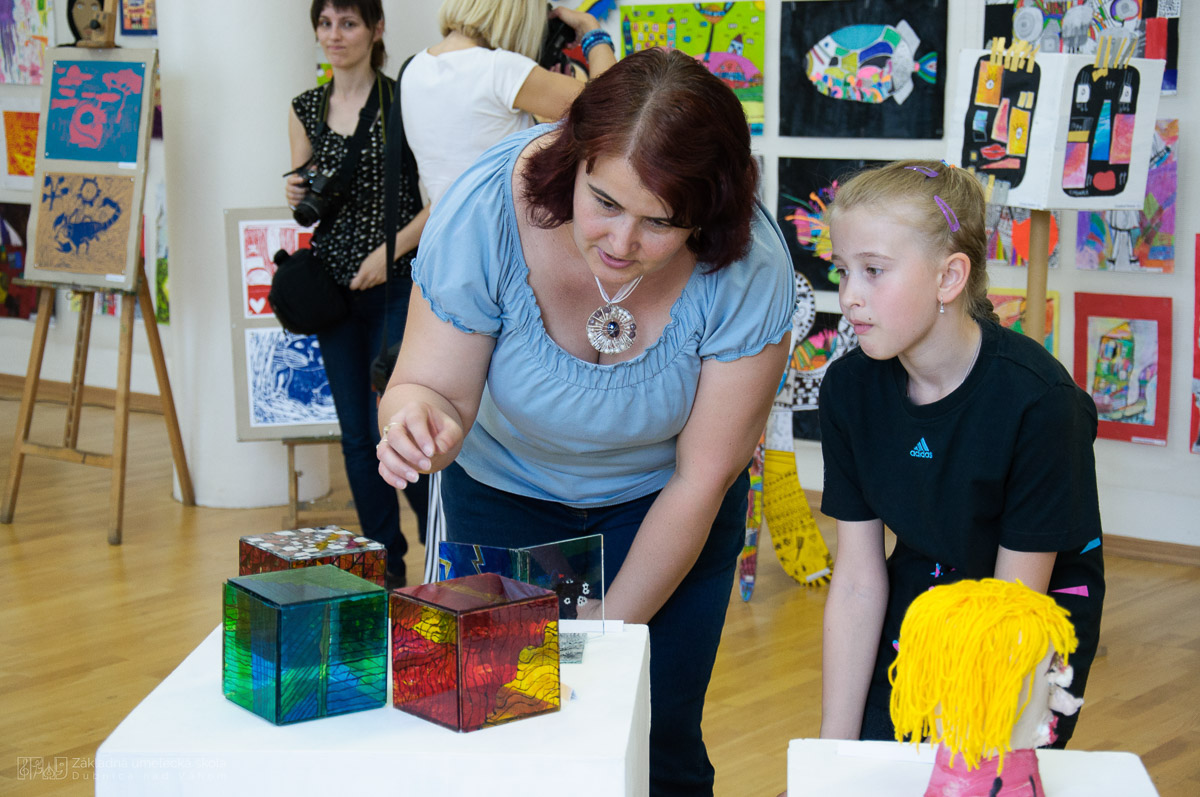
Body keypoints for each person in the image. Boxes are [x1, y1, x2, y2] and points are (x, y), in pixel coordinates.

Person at [377, 49, 793, 795]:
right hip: (503, 495)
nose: (621, 242)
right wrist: (418, 421)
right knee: (495, 728)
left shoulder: (750, 262)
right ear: (572, 158)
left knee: (654, 736)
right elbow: (428, 388)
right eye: (603, 201)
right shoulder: (485, 209)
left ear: (708, 214)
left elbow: (702, 480)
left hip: (664, 508)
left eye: (660, 222)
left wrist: (607, 630)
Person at [817, 160, 1105, 748]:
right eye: (843, 271)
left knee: (973, 767)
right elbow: (856, 583)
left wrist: (965, 742)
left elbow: (1013, 603)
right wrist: (832, 756)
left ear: (950, 278)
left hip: (1029, 610)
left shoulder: (1040, 403)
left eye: (874, 271)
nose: (849, 297)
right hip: (925, 588)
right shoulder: (849, 389)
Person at [286, 0, 428, 587]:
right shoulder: (305, 108)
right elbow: (304, 207)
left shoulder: (405, 102)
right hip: (334, 293)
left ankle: (438, 541)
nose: (334, 35)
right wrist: (294, 193)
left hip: (397, 284)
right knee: (355, 437)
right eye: (325, 23)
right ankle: (384, 566)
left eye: (348, 23)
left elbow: (435, 201)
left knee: (400, 427)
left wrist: (386, 252)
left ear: (376, 30)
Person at [400, 0, 616, 207]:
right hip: (500, 235)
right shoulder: (499, 69)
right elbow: (609, 107)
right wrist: (592, 31)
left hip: (447, 234)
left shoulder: (414, 68)